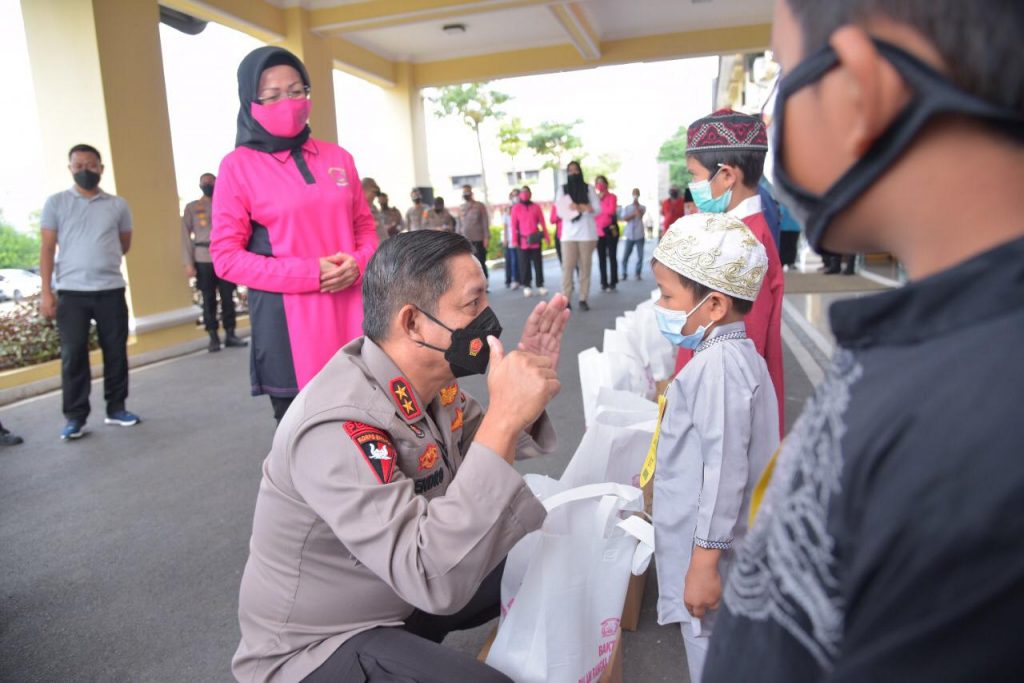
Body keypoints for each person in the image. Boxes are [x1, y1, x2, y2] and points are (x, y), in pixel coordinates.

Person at [704, 1, 1024, 682]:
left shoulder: (970, 429)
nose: (771, 129)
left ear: (857, 86)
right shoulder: (946, 349)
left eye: (786, 77)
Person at [232, 230, 571, 683]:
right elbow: (431, 574)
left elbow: (482, 450)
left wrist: (524, 388)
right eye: (472, 304)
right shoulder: (339, 424)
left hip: (394, 591)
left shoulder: (433, 385)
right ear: (412, 323)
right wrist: (504, 417)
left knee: (547, 553)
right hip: (320, 643)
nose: (487, 318)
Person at [211, 46, 377, 422]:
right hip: (287, 325)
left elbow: (364, 228)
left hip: (353, 312)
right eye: (271, 96)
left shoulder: (338, 158)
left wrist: (358, 262)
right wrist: (310, 273)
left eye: (297, 90)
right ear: (250, 101)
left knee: (371, 428)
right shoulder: (238, 167)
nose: (288, 102)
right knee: (307, 441)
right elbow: (225, 257)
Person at [650, 213, 778, 683]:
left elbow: (725, 470)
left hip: (713, 557)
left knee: (711, 656)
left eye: (668, 295)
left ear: (714, 305)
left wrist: (704, 564)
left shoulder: (718, 367)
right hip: (725, 550)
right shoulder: (735, 356)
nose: (660, 304)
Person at [679, 108, 785, 434]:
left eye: (695, 176)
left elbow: (739, 352)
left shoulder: (739, 245)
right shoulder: (744, 230)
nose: (693, 186)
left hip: (723, 421)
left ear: (726, 176)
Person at [39, 143, 140, 441]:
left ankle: (117, 408)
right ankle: (75, 417)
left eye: (91, 165)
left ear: (101, 168)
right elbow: (46, 248)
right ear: (70, 168)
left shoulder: (117, 205)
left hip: (110, 289)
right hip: (71, 292)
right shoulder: (56, 203)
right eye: (79, 165)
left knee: (116, 352)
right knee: (73, 355)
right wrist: (47, 292)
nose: (85, 170)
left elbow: (124, 244)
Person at [182, 172, 247, 353]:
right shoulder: (192, 208)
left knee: (228, 296)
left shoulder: (227, 204)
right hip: (203, 257)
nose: (208, 184)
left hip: (226, 257)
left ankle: (231, 333)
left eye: (211, 182)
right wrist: (188, 262)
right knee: (208, 298)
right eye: (205, 182)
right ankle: (213, 337)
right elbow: (185, 236)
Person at [557, 160, 599, 311]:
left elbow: (597, 209)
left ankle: (583, 298)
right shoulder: (563, 189)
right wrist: (583, 208)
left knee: (585, 268)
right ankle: (566, 298)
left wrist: (580, 207)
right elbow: (560, 211)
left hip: (587, 235)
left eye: (576, 170)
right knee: (567, 268)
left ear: (580, 171)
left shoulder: (589, 188)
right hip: (568, 236)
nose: (573, 173)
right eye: (570, 170)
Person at [510, 186, 550, 297]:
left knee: (538, 263)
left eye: (527, 192)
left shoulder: (536, 207)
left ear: (530, 194)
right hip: (522, 241)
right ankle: (527, 286)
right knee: (524, 264)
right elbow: (513, 226)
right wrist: (514, 240)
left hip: (535, 240)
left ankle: (540, 285)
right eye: (523, 192)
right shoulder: (516, 208)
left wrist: (547, 237)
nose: (525, 194)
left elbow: (542, 222)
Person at [458, 184, 491, 282]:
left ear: (471, 192)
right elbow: (459, 224)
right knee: (467, 262)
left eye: (467, 191)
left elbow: (485, 222)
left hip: (478, 238)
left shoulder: (479, 206)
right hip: (465, 239)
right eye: (464, 192)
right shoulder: (461, 207)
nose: (466, 193)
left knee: (480, 261)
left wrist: (486, 237)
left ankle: (485, 282)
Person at [594, 175, 619, 292]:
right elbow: (592, 214)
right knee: (601, 257)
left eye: (602, 182)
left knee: (612, 256)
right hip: (598, 232)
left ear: (606, 184)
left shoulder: (612, 197)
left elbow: (611, 211)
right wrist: (598, 201)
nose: (600, 185)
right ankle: (603, 282)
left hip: (610, 229)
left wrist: (600, 205)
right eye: (598, 183)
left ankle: (613, 281)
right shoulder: (594, 198)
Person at [620, 188, 646, 280]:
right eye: (634, 193)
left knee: (640, 255)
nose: (635, 195)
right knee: (625, 256)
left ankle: (638, 273)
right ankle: (624, 273)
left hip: (640, 234)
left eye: (637, 193)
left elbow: (640, 215)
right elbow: (624, 218)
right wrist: (633, 214)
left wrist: (637, 209)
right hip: (630, 235)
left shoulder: (642, 207)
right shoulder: (627, 207)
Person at [501, 190, 520, 289]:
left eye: (517, 195)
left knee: (517, 260)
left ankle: (518, 279)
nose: (515, 198)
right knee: (512, 260)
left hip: (519, 238)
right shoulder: (507, 210)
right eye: (513, 196)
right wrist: (505, 239)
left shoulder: (521, 208)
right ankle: (512, 279)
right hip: (510, 238)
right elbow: (505, 227)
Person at [362, 177, 387, 243]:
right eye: (374, 192)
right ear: (364, 190)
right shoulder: (357, 208)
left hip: (382, 245)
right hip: (370, 248)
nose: (375, 196)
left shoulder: (373, 207)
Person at [778, 201, 801, 270]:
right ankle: (787, 262)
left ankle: (788, 262)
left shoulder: (784, 204)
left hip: (791, 227)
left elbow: (780, 215)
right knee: (789, 245)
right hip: (788, 228)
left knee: (788, 246)